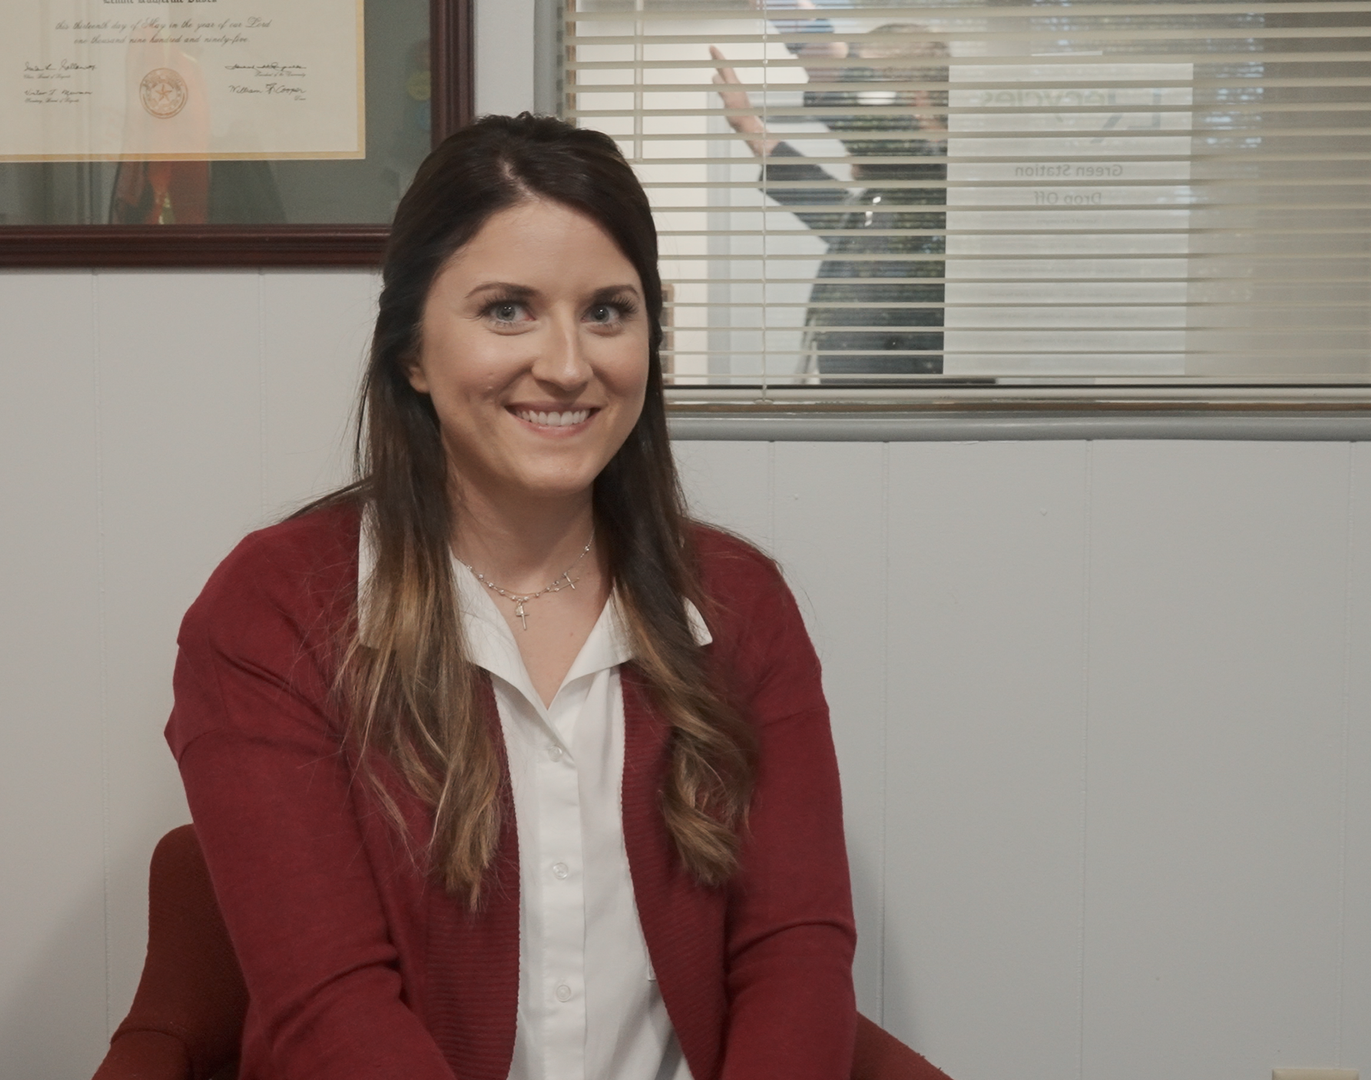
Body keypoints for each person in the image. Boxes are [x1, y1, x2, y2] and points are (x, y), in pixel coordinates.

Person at [165, 113, 857, 1080]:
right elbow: (329, 1008)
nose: (569, 365)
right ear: (412, 351)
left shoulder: (742, 602)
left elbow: (795, 955)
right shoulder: (274, 609)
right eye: (507, 310)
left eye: (609, 312)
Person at [712, 21, 949, 378]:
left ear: (913, 103)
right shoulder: (895, 199)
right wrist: (749, 126)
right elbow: (836, 212)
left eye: (864, 89)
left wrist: (798, 22)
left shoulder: (938, 181)